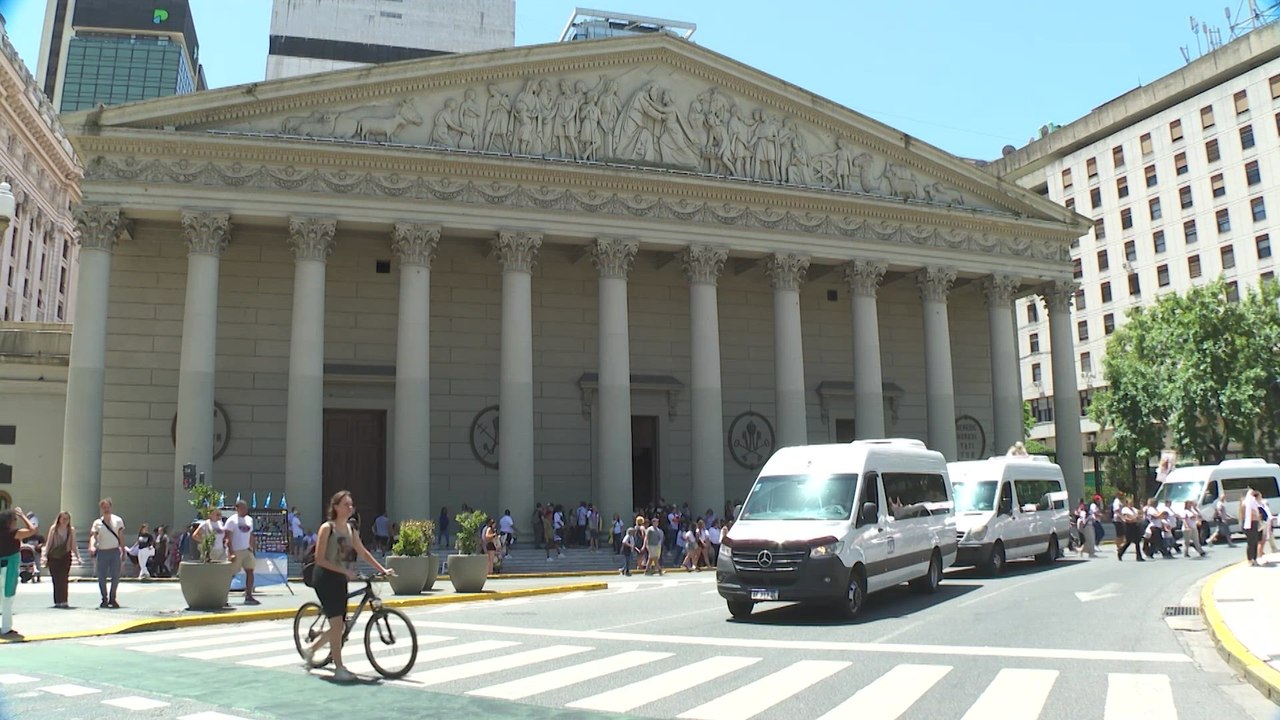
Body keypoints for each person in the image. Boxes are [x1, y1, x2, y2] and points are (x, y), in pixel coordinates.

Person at [301, 490, 391, 683]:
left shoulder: (351, 529)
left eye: (351, 505)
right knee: (337, 624)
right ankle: (339, 668)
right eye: (346, 505)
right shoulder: (327, 528)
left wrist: (382, 569)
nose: (350, 508)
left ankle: (311, 650)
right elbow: (320, 559)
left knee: (338, 625)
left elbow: (363, 552)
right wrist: (345, 572)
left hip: (341, 579)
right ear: (335, 507)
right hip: (325, 578)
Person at [1, 507, 38, 636]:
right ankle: (6, 628)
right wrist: (23, 515)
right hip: (9, 567)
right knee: (8, 598)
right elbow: (32, 530)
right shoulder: (14, 533)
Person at [88, 497, 126, 609]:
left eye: (107, 507)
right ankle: (104, 598)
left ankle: (112, 598)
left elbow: (121, 537)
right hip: (102, 552)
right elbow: (93, 536)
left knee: (116, 576)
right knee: (101, 577)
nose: (106, 509)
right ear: (101, 509)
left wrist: (123, 550)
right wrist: (92, 546)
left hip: (114, 551)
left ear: (111, 507)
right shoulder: (97, 523)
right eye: (104, 507)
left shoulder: (118, 520)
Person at [41, 511, 79, 608]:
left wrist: (78, 557)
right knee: (56, 579)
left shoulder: (71, 530)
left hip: (65, 556)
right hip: (53, 556)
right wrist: (45, 555)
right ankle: (57, 601)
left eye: (67, 518)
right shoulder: (54, 529)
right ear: (59, 519)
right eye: (63, 518)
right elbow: (49, 543)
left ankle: (64, 600)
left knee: (63, 578)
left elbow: (73, 545)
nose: (65, 520)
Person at [226, 501, 260, 605]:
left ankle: (249, 595)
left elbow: (250, 535)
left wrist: (252, 548)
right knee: (230, 574)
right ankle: (223, 597)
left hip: (246, 550)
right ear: (237, 508)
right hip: (236, 550)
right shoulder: (231, 521)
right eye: (243, 508)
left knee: (250, 571)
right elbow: (228, 538)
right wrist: (231, 552)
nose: (245, 510)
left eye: (246, 508)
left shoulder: (249, 520)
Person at [1241, 487, 1264, 566]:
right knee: (1250, 543)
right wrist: (1255, 513)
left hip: (1255, 523)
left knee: (1255, 542)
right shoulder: (1245, 503)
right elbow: (1248, 513)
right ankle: (1249, 559)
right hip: (1249, 524)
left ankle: (1255, 558)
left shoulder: (1253, 503)